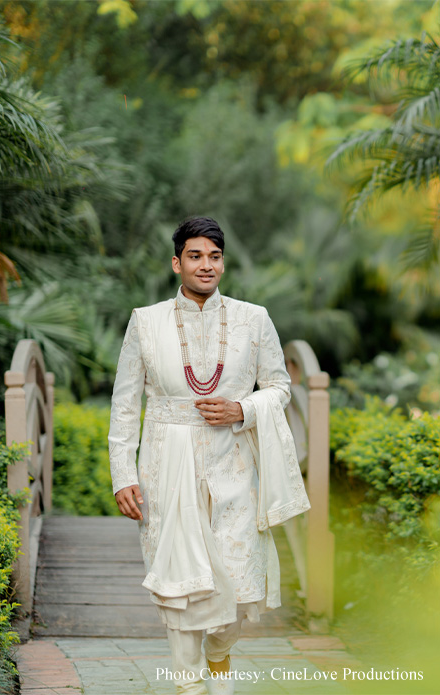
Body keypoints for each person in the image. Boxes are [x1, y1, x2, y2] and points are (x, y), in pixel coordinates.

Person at [108, 216, 310, 695]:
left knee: (237, 585)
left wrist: (242, 407)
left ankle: (219, 659)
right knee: (180, 580)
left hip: (235, 462)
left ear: (223, 262)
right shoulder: (146, 320)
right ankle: (190, 685)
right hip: (165, 466)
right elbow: (124, 404)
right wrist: (122, 475)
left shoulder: (253, 318)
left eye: (214, 256)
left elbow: (280, 387)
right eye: (195, 256)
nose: (206, 265)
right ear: (177, 262)